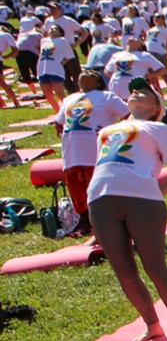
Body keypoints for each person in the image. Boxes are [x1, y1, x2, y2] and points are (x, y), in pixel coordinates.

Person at [90, 79, 167, 341]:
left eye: (144, 92)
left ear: (157, 106)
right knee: (124, 272)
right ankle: (152, 325)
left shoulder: (158, 128)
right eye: (133, 90)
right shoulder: (106, 130)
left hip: (143, 199)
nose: (135, 92)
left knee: (156, 268)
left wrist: (155, 193)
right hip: (100, 197)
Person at [56, 70, 129, 236]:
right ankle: (84, 222)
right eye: (83, 71)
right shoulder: (69, 99)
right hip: (72, 151)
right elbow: (59, 122)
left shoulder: (107, 97)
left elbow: (128, 116)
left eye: (90, 73)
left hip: (97, 150)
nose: (85, 73)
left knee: (99, 186)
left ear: (98, 82)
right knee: (77, 187)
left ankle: (110, 219)